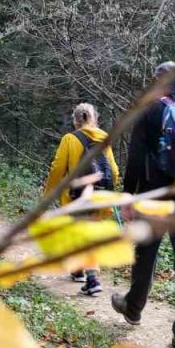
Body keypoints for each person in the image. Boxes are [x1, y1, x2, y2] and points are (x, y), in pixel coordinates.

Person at [112, 61, 175, 348]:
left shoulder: (151, 111)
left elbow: (135, 159)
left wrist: (128, 197)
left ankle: (134, 309)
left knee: (145, 256)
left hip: (155, 197)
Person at [43, 103, 121, 297]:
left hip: (76, 195)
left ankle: (92, 278)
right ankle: (79, 270)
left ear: (75, 120)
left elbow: (58, 168)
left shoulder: (69, 139)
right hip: (100, 195)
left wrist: (49, 192)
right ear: (94, 118)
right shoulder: (104, 138)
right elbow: (114, 170)